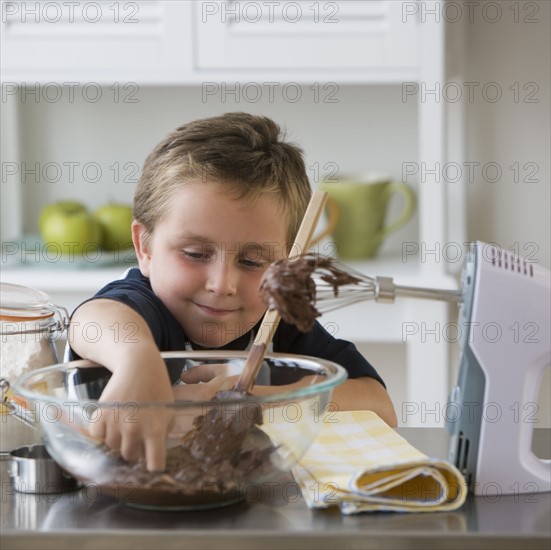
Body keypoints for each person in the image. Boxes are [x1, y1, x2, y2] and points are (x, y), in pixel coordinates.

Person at [68, 112, 397, 472]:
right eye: (195, 254)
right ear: (144, 247)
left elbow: (378, 406)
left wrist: (247, 402)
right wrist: (138, 363)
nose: (222, 285)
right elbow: (90, 320)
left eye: (253, 261)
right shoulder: (147, 307)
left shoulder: (278, 321)